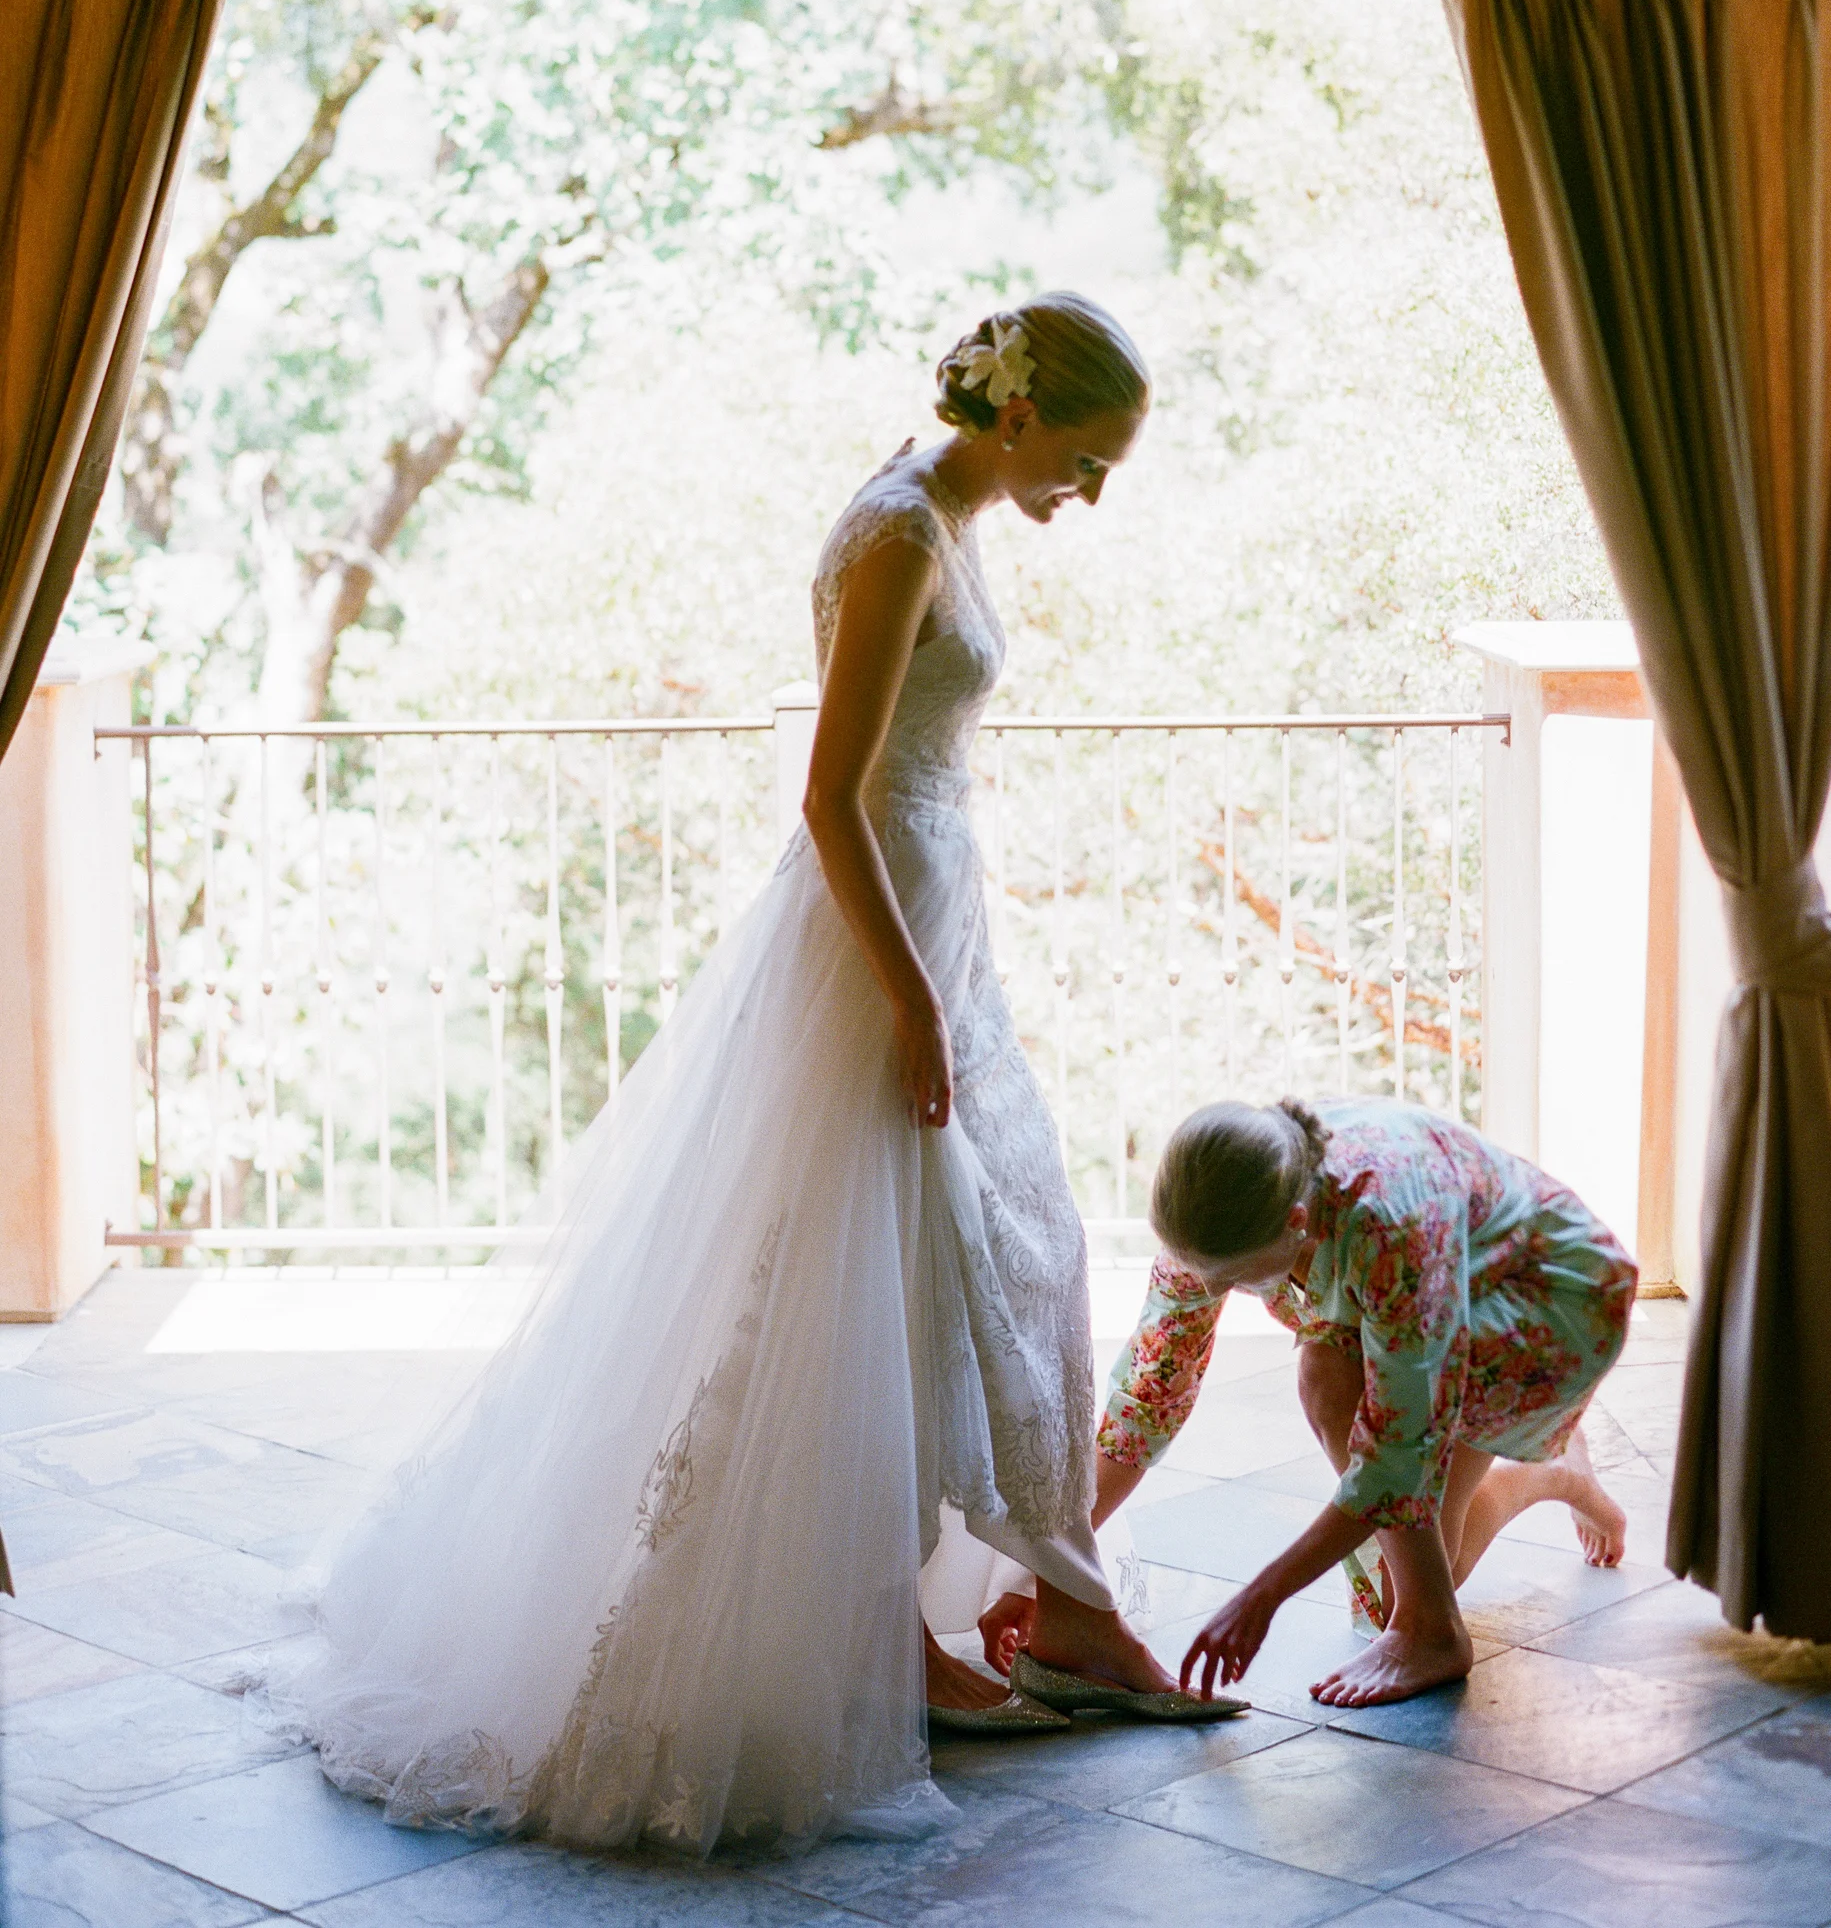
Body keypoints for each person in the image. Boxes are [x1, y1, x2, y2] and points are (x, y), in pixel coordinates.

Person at [267, 294, 1209, 1860]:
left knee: (997, 1265)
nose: (1089, 496)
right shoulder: (904, 526)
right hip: (873, 948)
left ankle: (1046, 1604)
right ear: (1019, 413)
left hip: (933, 925)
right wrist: (909, 999)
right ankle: (912, 1634)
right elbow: (830, 794)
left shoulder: (944, 511)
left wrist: (948, 963)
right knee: (852, 1291)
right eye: (1088, 460)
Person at [986, 1095, 1636, 1710]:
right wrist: (1047, 1571)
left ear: (1298, 1223)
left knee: (1399, 1573)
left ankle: (1437, 1625)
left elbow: (1393, 1457)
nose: (1217, 1289)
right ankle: (1553, 1472)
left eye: (1234, 1280)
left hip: (1548, 1301)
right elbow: (1145, 1404)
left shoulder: (1390, 1223)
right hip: (1424, 1309)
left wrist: (1260, 1597)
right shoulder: (1219, 1201)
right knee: (1393, 1570)